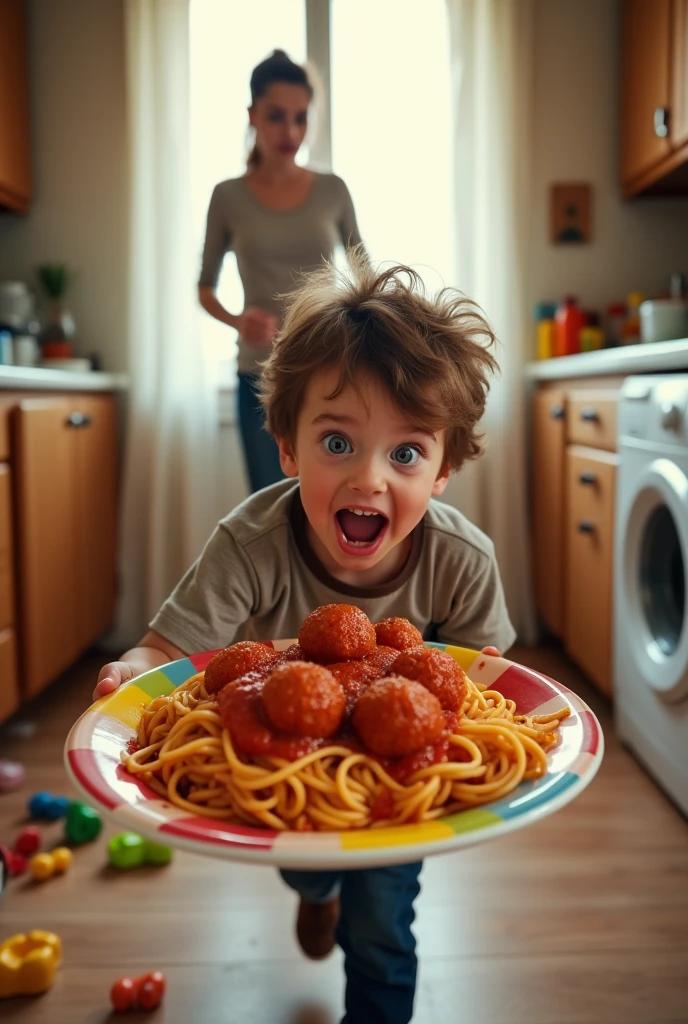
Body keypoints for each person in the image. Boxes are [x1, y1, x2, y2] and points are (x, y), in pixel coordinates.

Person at [93, 253, 516, 1024]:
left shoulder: (465, 559)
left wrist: (470, 691)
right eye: (336, 443)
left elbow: (488, 683)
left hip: (398, 778)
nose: (369, 479)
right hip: (285, 750)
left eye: (408, 453)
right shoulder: (249, 542)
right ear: (286, 447)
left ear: (445, 467)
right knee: (310, 877)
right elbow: (161, 652)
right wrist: (128, 673)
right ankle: (315, 891)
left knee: (384, 929)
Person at [198, 49, 364, 493]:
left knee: (334, 498)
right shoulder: (227, 197)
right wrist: (237, 321)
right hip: (258, 375)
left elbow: (365, 275)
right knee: (270, 506)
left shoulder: (333, 190)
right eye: (276, 116)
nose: (290, 131)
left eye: (300, 118)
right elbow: (205, 288)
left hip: (329, 366)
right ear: (252, 115)